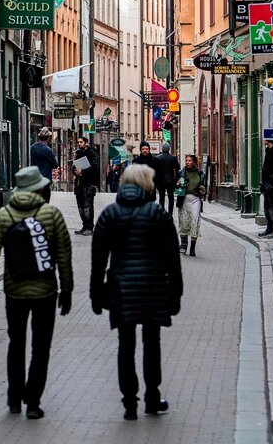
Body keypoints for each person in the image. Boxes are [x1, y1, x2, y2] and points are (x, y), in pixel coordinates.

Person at [0, 165, 74, 419]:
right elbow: (64, 254)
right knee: (41, 347)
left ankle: (13, 398)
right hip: (45, 291)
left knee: (16, 344)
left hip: (14, 290)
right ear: (39, 188)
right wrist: (67, 289)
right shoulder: (51, 214)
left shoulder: (4, 215)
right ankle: (33, 402)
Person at [89, 163, 183, 420]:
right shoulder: (158, 215)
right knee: (152, 343)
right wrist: (176, 294)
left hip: (121, 287)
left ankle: (129, 402)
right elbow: (173, 258)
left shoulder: (109, 215)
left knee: (125, 344)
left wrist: (96, 294)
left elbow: (98, 260)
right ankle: (152, 396)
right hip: (153, 286)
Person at [176, 155, 206, 255]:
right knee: (184, 222)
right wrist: (177, 184)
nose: (187, 162)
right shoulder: (181, 173)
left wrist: (202, 189)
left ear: (194, 162)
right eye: (186, 160)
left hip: (195, 200)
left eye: (190, 160)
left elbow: (203, 187)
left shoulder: (200, 173)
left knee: (195, 222)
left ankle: (192, 249)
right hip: (183, 199)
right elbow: (174, 185)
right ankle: (183, 246)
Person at [73, 136, 100, 235]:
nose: (79, 144)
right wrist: (75, 171)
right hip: (79, 184)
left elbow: (95, 168)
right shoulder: (78, 153)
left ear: (86, 143)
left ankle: (89, 227)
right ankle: (84, 226)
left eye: (81, 142)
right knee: (80, 207)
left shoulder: (92, 153)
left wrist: (83, 172)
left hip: (89, 184)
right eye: (78, 142)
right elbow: (74, 167)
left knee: (87, 206)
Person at [153, 142, 179, 215]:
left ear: (162, 148)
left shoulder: (157, 158)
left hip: (161, 181)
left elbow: (155, 170)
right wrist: (176, 179)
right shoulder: (173, 158)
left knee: (162, 197)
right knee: (171, 197)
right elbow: (177, 168)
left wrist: (156, 180)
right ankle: (170, 213)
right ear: (169, 149)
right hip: (170, 180)